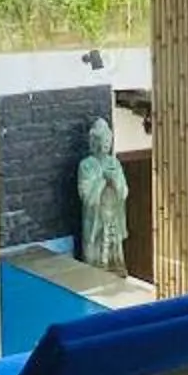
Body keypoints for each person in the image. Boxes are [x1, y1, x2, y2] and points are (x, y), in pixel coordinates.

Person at [76, 115, 128, 274]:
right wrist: (102, 181)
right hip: (96, 217)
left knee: (114, 252)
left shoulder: (114, 163)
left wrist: (114, 181)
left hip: (113, 213)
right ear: (94, 142)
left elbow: (124, 190)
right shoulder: (86, 165)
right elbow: (85, 194)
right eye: (102, 140)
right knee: (96, 255)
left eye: (108, 141)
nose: (106, 144)